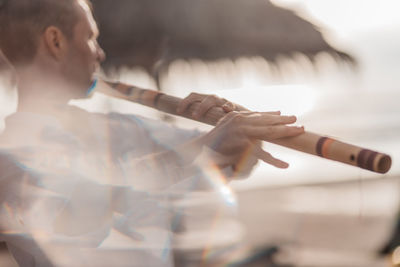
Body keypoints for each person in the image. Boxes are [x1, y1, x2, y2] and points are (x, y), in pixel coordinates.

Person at [0, 0, 304, 266]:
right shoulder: (12, 158)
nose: (100, 53)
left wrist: (239, 126)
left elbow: (232, 162)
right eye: (91, 37)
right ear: (56, 41)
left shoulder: (121, 129)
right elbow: (88, 204)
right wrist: (209, 144)